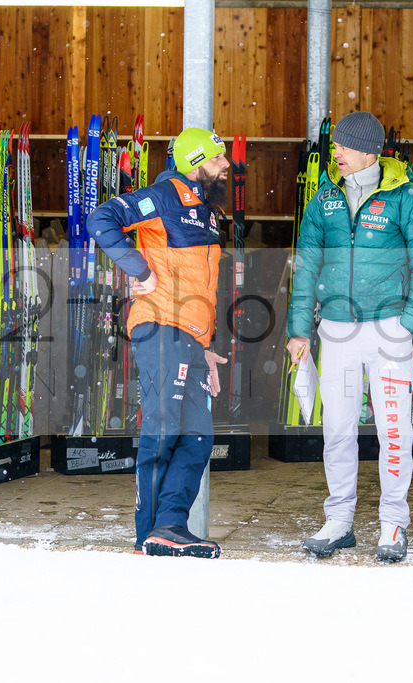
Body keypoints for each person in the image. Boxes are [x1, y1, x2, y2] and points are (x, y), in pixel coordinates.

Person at [286, 111, 413, 562]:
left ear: (369, 150)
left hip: (388, 330)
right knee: (336, 428)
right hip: (336, 330)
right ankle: (339, 521)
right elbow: (307, 264)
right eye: (334, 146)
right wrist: (299, 331)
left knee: (394, 431)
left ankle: (393, 523)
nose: (334, 153)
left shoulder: (407, 199)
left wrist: (409, 324)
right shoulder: (325, 199)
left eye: (343, 146)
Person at [87, 127, 230, 558]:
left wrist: (205, 345)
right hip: (160, 326)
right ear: (195, 163)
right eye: (218, 158)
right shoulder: (163, 196)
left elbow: (202, 288)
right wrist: (138, 269)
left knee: (198, 436)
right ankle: (145, 533)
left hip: (190, 338)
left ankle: (170, 526)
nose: (226, 165)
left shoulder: (206, 212)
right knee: (164, 428)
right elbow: (102, 218)